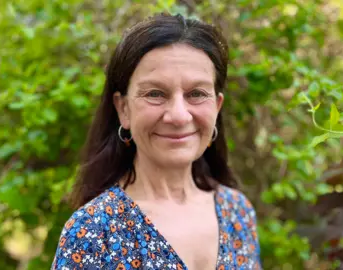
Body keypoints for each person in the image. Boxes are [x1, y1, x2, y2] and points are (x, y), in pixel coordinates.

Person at [51, 13, 261, 270]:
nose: (179, 115)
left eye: (196, 93)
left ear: (217, 107)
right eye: (155, 94)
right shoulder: (93, 232)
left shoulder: (237, 212)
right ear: (123, 109)